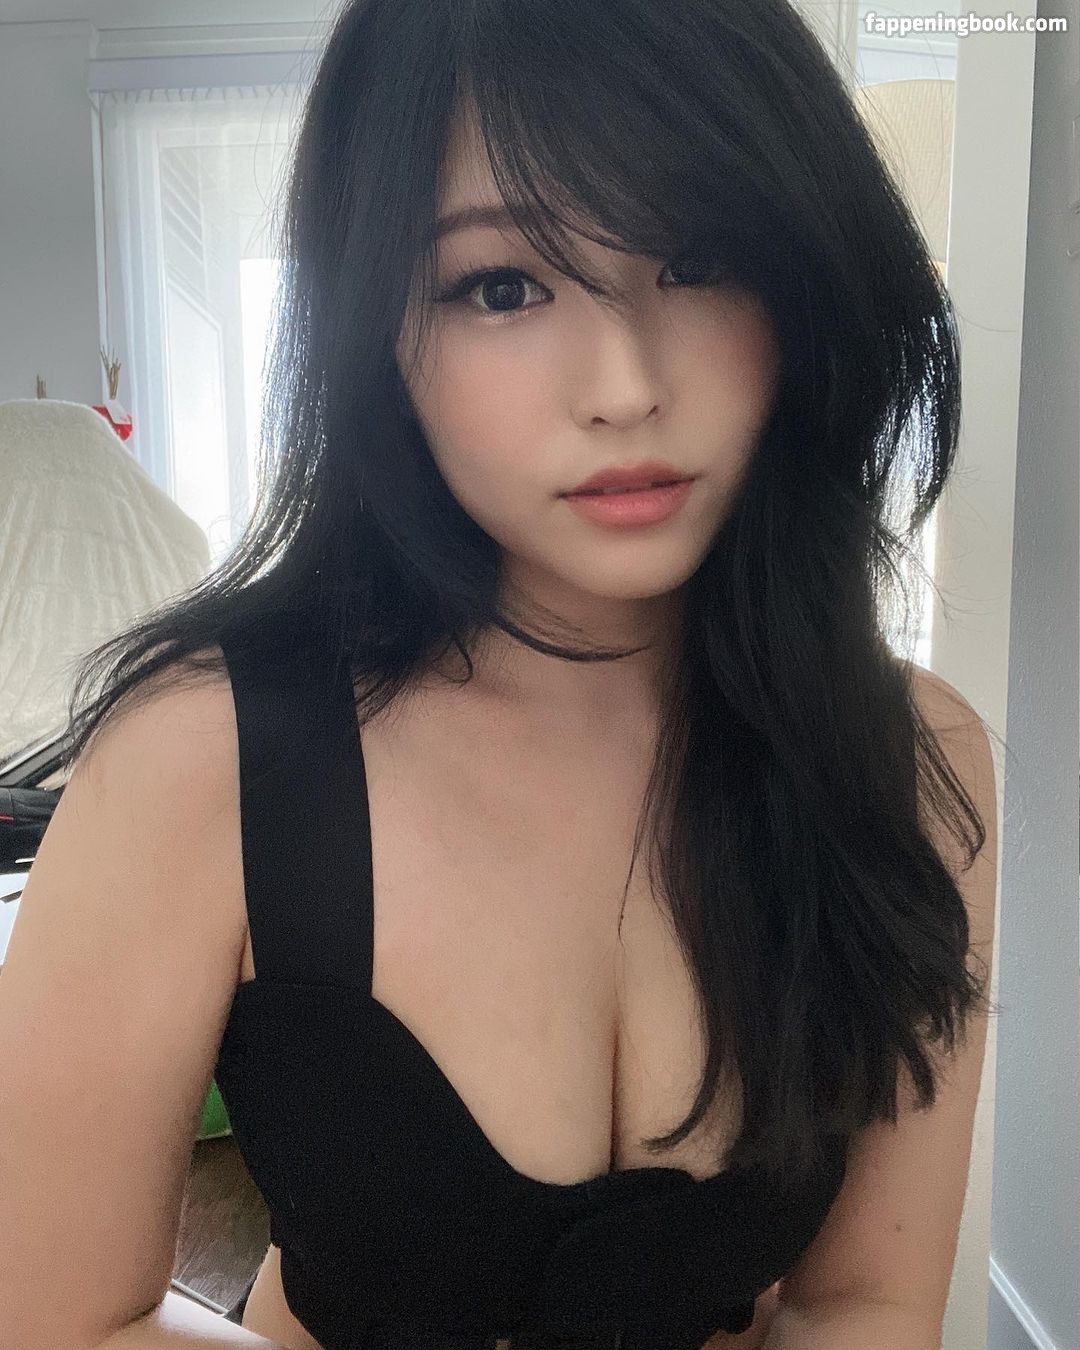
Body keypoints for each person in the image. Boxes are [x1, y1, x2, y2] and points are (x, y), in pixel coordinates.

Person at [0, 1, 1000, 1348]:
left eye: (699, 260)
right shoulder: (200, 759)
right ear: (377, 329)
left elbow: (864, 1301)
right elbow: (51, 1317)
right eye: (503, 287)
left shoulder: (914, 766)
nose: (625, 385)